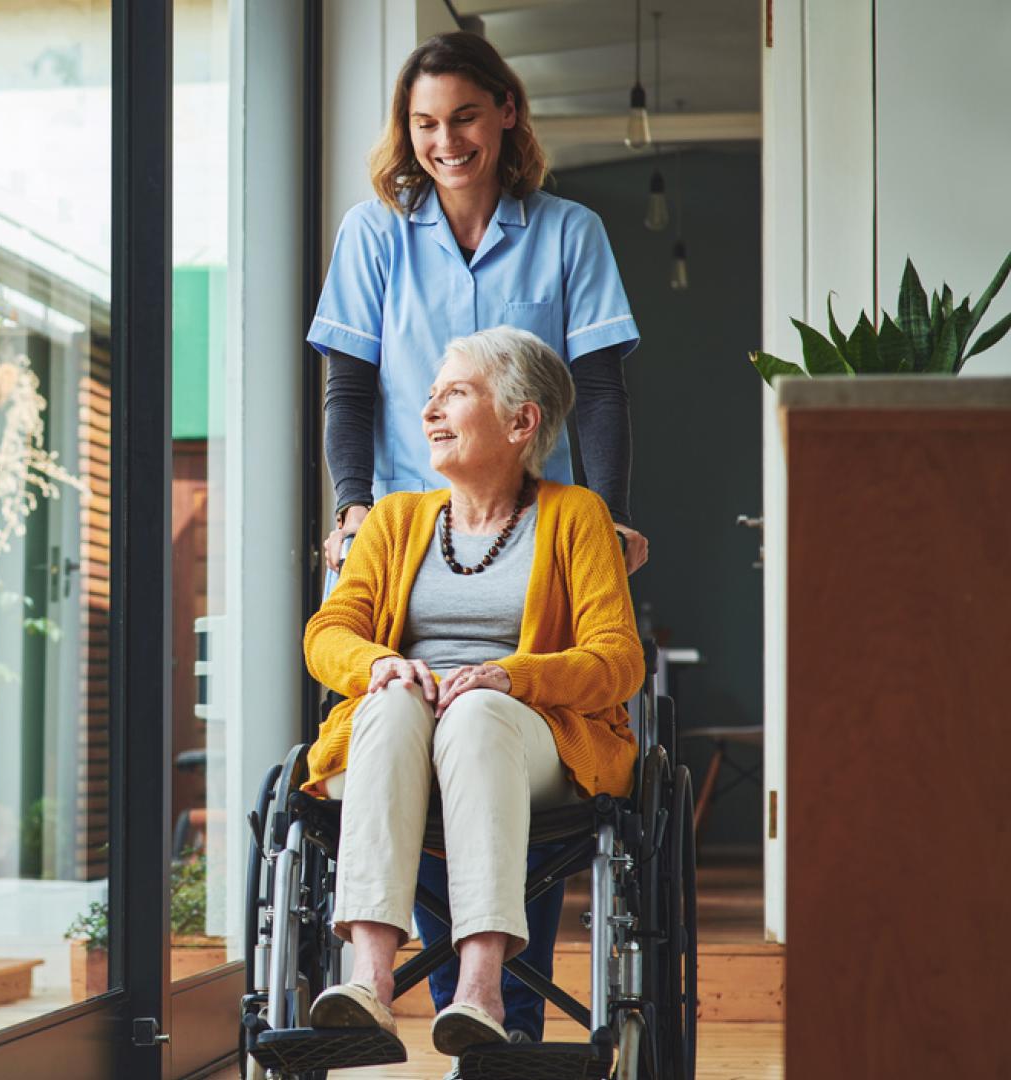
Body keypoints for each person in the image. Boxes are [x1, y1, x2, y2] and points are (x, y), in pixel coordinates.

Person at [307, 31, 645, 1050]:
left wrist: (609, 514)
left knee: (487, 731)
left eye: (462, 116)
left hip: (533, 546)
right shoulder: (377, 235)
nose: (443, 139)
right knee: (394, 714)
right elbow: (351, 387)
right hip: (414, 524)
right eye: (423, 122)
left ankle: (500, 1010)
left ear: (505, 114)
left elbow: (604, 394)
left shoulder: (568, 232)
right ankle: (375, 982)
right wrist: (358, 505)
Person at [302, 328, 643, 1060]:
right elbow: (327, 633)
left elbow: (617, 660)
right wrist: (380, 666)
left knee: (480, 710)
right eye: (429, 395)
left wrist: (511, 676)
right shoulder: (394, 519)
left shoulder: (575, 515)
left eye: (453, 393)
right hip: (403, 733)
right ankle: (368, 979)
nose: (429, 411)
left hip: (528, 737)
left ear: (522, 422)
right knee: (393, 701)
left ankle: (482, 988)